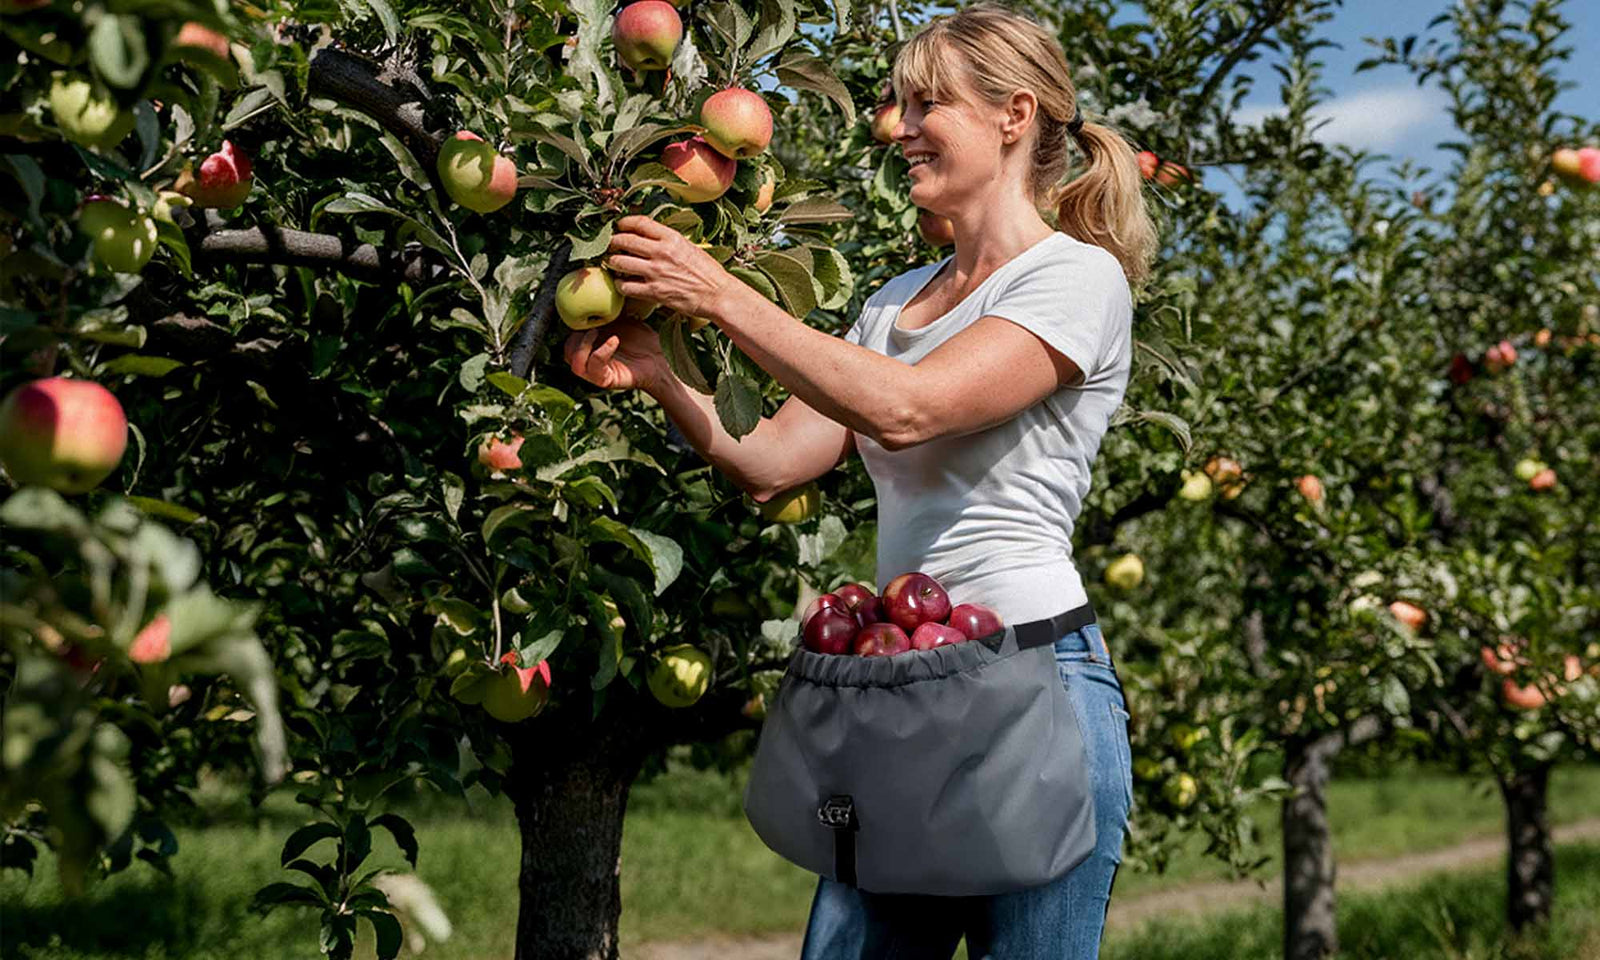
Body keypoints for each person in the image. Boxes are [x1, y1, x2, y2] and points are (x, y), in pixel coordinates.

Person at [565, 3, 1156, 957]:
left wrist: (719, 293)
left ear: (1013, 115)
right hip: (905, 683)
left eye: (927, 105)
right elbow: (772, 462)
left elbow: (909, 409)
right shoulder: (893, 302)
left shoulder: (1077, 280)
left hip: (1032, 683)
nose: (900, 127)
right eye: (897, 104)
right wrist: (661, 373)